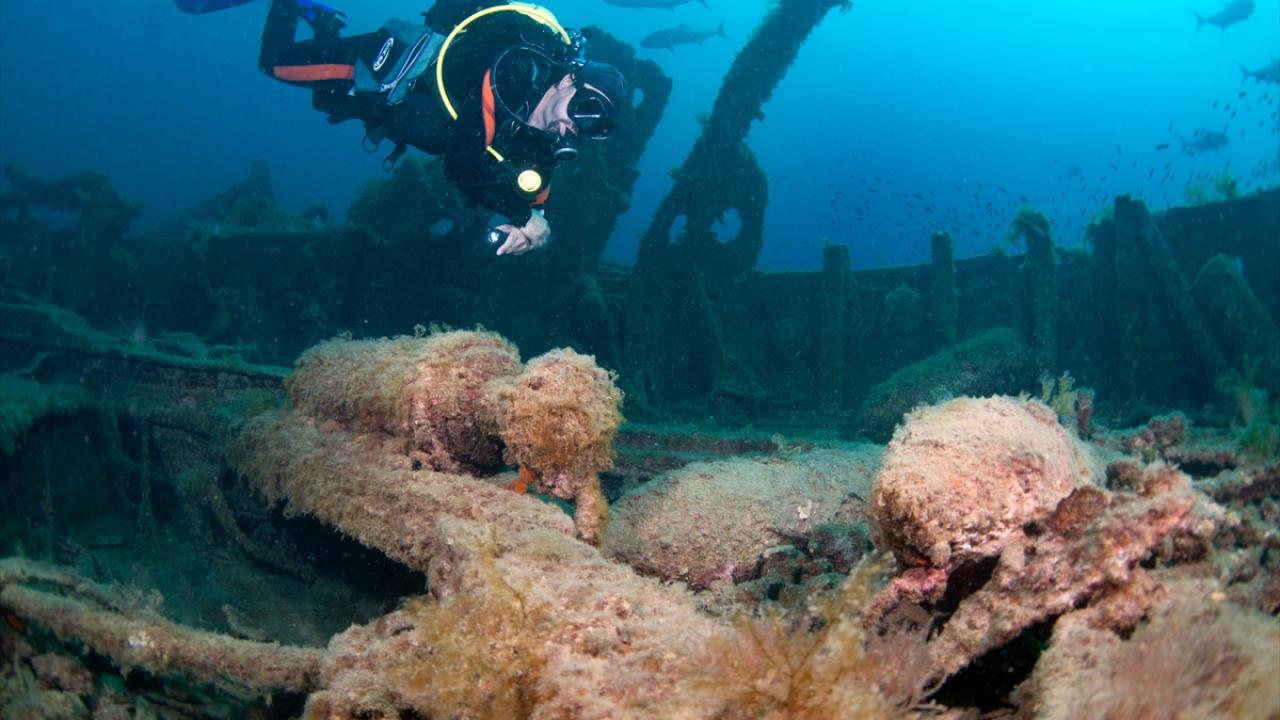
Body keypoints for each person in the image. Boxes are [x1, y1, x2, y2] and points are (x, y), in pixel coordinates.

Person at [178, 0, 627, 256]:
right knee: (276, 64)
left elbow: (536, 197)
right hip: (383, 64)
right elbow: (462, 163)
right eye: (584, 107)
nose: (575, 126)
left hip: (389, 107)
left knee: (327, 100)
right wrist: (523, 216)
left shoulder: (549, 139)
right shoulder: (518, 71)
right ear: (567, 81)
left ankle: (323, 21)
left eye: (594, 127)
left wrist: (532, 225)